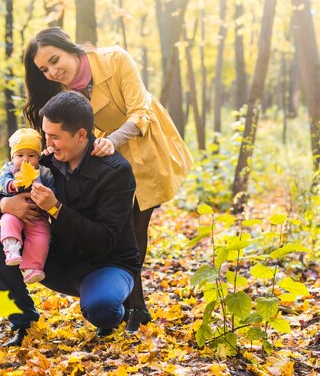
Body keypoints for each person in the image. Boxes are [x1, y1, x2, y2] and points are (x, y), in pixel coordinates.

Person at [19, 27, 193, 332]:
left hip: (144, 145)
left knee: (137, 225)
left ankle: (135, 305)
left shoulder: (115, 59)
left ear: (70, 48)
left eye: (55, 60)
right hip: (104, 159)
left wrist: (112, 140)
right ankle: (124, 299)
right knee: (118, 224)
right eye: (44, 69)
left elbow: (141, 112)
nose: (52, 71)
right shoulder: (62, 93)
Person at [0, 91, 140, 347]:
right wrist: (4, 203)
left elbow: (105, 240)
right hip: (60, 258)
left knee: (102, 309)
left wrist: (55, 208)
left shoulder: (116, 171)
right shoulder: (46, 162)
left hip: (106, 263)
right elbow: (5, 184)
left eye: (55, 137)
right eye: (46, 135)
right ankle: (24, 321)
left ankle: (115, 306)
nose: (49, 143)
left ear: (81, 135)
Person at [0, 128, 55, 284]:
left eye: (31, 155)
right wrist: (12, 184)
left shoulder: (44, 172)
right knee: (8, 221)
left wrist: (43, 191)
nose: (25, 160)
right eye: (20, 155)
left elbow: (52, 189)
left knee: (42, 235)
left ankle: (32, 267)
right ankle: (11, 247)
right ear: (13, 156)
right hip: (15, 211)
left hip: (37, 215)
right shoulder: (10, 169)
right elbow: (2, 182)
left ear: (38, 156)